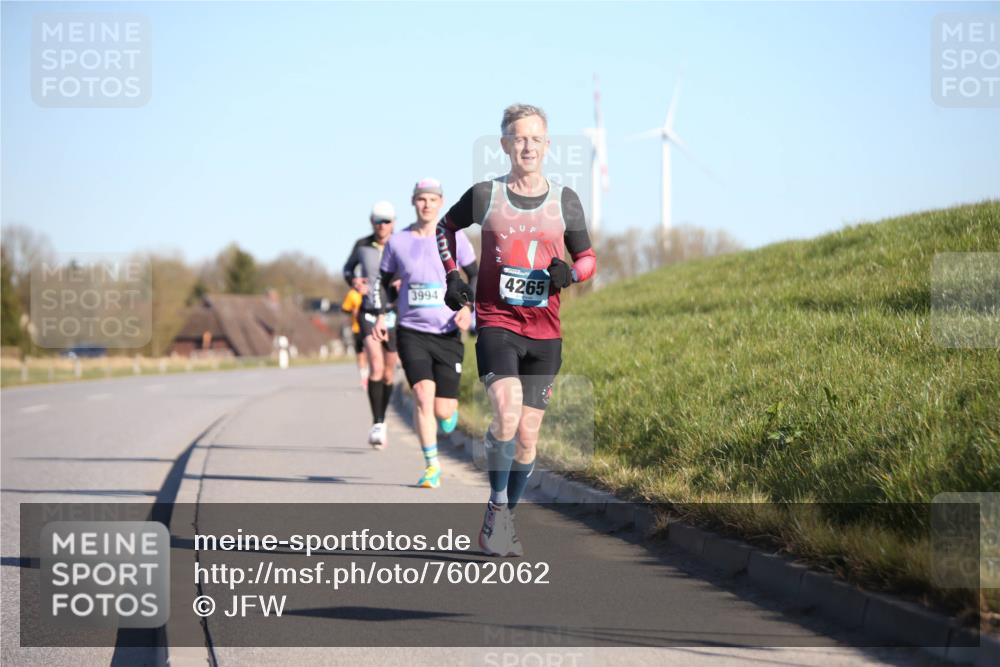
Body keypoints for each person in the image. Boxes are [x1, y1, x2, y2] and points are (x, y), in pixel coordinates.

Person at [436, 104, 597, 556]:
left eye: (535, 139)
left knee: (528, 436)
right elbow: (445, 229)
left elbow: (588, 258)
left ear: (547, 146)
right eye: (517, 138)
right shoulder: (486, 194)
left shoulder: (564, 200)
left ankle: (505, 516)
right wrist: (453, 274)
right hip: (496, 322)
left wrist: (572, 274)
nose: (526, 146)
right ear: (505, 145)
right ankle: (497, 507)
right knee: (505, 414)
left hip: (545, 334)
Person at [372, 178, 478, 488]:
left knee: (444, 410)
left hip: (447, 333)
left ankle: (447, 415)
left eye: (433, 199)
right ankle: (432, 465)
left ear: (441, 203)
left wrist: (468, 308)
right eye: (421, 199)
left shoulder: (456, 238)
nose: (427, 204)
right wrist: (381, 314)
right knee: (421, 395)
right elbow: (382, 282)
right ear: (413, 202)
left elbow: (474, 276)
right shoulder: (397, 242)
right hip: (411, 331)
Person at [343, 201, 399, 449]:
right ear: (371, 222)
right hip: (368, 311)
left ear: (393, 223)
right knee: (375, 367)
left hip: (395, 314)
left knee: (389, 372)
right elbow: (347, 269)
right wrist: (354, 281)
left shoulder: (402, 243)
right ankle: (376, 422)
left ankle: (383, 418)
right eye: (378, 221)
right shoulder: (362, 245)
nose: (382, 226)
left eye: (387, 221)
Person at [341, 287, 368, 389]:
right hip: (357, 328)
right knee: (361, 353)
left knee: (371, 354)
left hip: (372, 328)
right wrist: (353, 310)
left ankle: (372, 375)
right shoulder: (352, 294)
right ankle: (364, 377)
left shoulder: (371, 290)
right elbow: (344, 308)